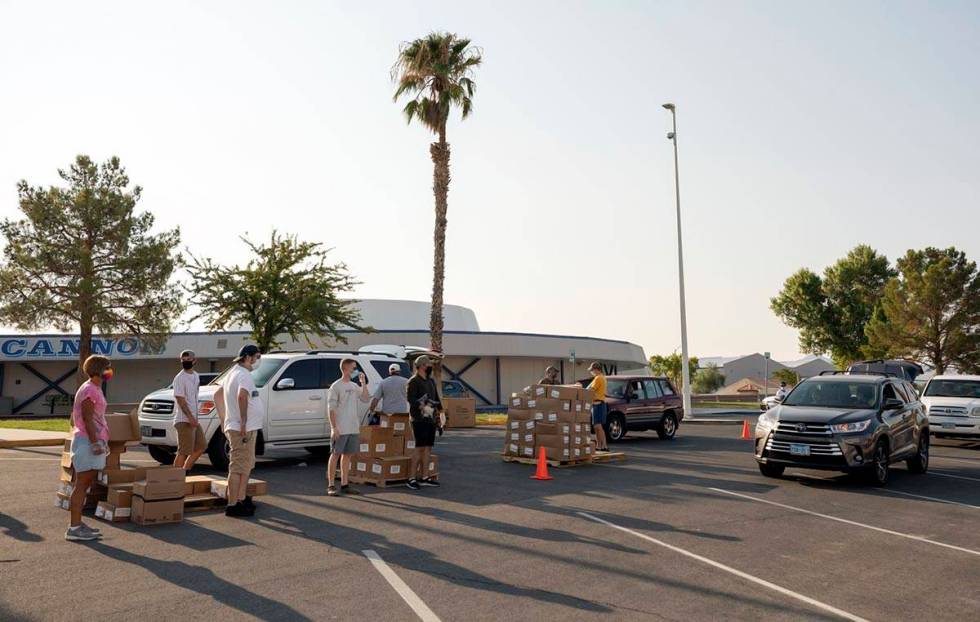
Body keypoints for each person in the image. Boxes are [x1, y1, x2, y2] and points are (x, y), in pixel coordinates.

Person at [213, 344, 264, 518]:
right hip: (243, 429)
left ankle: (241, 499)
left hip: (240, 427)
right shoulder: (243, 374)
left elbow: (217, 395)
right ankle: (233, 504)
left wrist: (223, 419)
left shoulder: (232, 373)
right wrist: (242, 422)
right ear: (248, 357)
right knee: (238, 467)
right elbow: (241, 396)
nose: (258, 361)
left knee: (245, 466)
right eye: (257, 357)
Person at [65, 355, 112, 542]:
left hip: (89, 441)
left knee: (83, 486)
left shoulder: (93, 388)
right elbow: (87, 418)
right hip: (87, 443)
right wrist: (95, 443)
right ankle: (74, 528)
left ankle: (77, 524)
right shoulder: (89, 390)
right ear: (100, 370)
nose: (110, 371)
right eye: (108, 367)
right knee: (81, 486)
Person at [326, 358, 371, 496]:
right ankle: (331, 485)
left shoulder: (353, 386)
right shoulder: (336, 386)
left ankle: (345, 484)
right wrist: (334, 428)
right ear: (345, 368)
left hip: (353, 427)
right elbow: (331, 408)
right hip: (341, 427)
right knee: (335, 455)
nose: (355, 370)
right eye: (353, 367)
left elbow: (365, 398)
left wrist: (363, 384)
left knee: (348, 456)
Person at [406, 355, 442, 491]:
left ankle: (425, 477)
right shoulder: (413, 381)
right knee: (419, 447)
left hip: (430, 419)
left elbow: (436, 397)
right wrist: (423, 406)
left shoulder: (431, 381)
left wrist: (441, 412)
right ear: (422, 366)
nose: (430, 367)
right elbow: (411, 399)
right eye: (428, 365)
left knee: (428, 447)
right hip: (418, 419)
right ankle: (411, 478)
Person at [173, 350, 205, 471]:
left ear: (194, 360)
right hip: (184, 420)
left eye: (188, 360)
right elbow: (180, 399)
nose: (186, 362)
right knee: (183, 451)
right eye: (183, 360)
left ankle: (184, 471)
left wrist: (195, 418)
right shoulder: (179, 378)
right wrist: (190, 418)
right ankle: (175, 478)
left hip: (194, 419)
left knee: (201, 446)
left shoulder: (196, 376)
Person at [587, 362, 610, 452]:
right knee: (597, 426)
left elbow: (591, 390)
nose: (591, 372)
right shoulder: (602, 378)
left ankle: (604, 445)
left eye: (592, 370)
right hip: (599, 403)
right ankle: (599, 445)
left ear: (596, 369)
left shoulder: (598, 378)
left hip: (598, 404)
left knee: (598, 426)